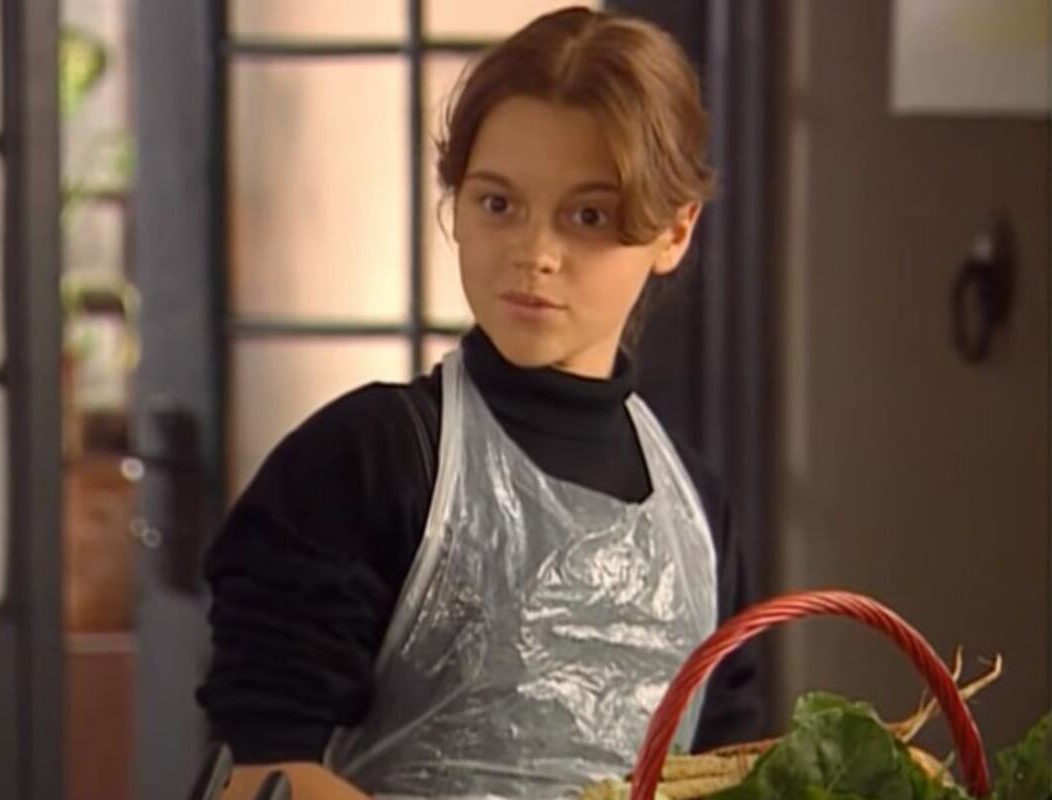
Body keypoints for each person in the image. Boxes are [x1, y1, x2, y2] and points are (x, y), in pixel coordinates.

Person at [198, 7, 764, 799]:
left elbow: (732, 768)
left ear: (674, 232)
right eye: (498, 204)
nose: (534, 254)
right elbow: (261, 769)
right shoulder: (368, 460)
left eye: (588, 216)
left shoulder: (697, 515)